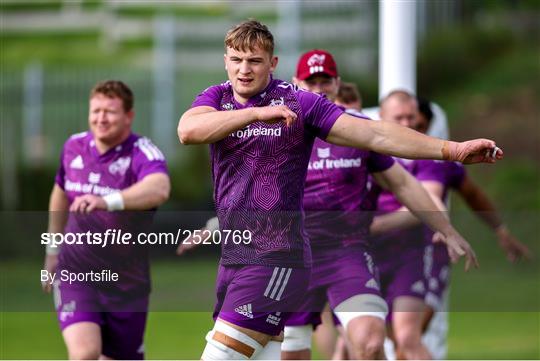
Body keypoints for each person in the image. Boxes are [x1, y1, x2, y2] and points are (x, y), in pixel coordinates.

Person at [177, 20, 501, 360]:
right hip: (237, 255)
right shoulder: (217, 97)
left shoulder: (301, 105)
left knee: (221, 357)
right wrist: (256, 114)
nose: (244, 70)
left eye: (254, 61)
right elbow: (188, 130)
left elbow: (378, 136)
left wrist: (451, 149)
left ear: (273, 64)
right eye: (236, 60)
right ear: (225, 61)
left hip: (277, 256)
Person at [376, 97, 532, 360]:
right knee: (379, 339)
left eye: (413, 120)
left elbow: (449, 198)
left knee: (407, 338)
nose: (409, 126)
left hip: (426, 255)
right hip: (380, 254)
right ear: (381, 119)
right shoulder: (370, 155)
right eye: (399, 119)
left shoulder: (433, 160)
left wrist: (500, 229)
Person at [42, 80, 170, 360]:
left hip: (128, 283)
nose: (101, 118)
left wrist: (107, 201)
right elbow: (60, 194)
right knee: (86, 352)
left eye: (110, 112)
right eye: (95, 110)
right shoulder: (74, 146)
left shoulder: (142, 152)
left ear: (129, 116)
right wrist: (52, 249)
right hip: (77, 272)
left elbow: (159, 188)